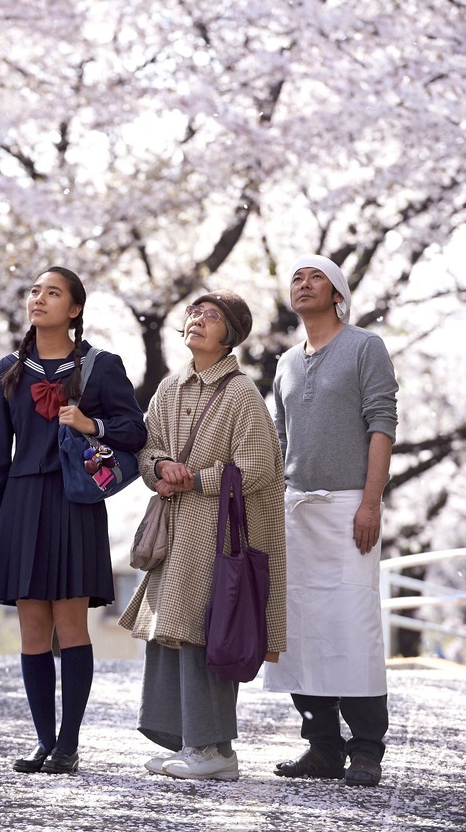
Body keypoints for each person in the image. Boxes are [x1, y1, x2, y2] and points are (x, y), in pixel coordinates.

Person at [0, 266, 146, 775]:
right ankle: (43, 741)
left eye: (52, 293)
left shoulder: (101, 366)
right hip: (22, 503)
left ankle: (69, 743)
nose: (39, 299)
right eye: (34, 292)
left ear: (74, 309)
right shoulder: (8, 370)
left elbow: (135, 430)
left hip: (76, 502)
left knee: (72, 624)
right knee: (32, 626)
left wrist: (90, 423)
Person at [120, 290, 286, 782]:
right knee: (171, 630)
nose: (197, 320)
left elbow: (259, 467)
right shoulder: (171, 386)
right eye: (194, 313)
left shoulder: (241, 393)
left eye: (211, 316)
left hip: (218, 535)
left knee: (207, 630)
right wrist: (159, 467)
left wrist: (196, 477)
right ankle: (188, 741)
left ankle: (215, 750)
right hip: (177, 531)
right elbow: (145, 446)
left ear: (230, 333)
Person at [264, 254, 398, 788]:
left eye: (315, 276)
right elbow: (278, 441)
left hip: (348, 507)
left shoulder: (366, 347)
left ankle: (366, 749)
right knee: (300, 627)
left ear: (338, 293)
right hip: (295, 508)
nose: (303, 283)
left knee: (353, 624)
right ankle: (321, 747)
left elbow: (381, 424)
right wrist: (270, 505)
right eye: (296, 277)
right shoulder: (285, 363)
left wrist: (371, 502)